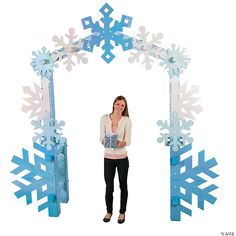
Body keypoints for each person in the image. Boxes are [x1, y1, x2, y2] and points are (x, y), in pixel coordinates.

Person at [100, 95, 132, 224]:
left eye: (122, 105)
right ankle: (109, 211)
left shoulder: (126, 120)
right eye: (118, 104)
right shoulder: (104, 118)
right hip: (108, 158)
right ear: (114, 104)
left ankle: (122, 212)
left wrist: (117, 143)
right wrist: (109, 142)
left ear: (124, 108)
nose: (119, 107)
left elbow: (128, 140)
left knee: (123, 185)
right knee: (109, 187)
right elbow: (101, 139)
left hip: (122, 158)